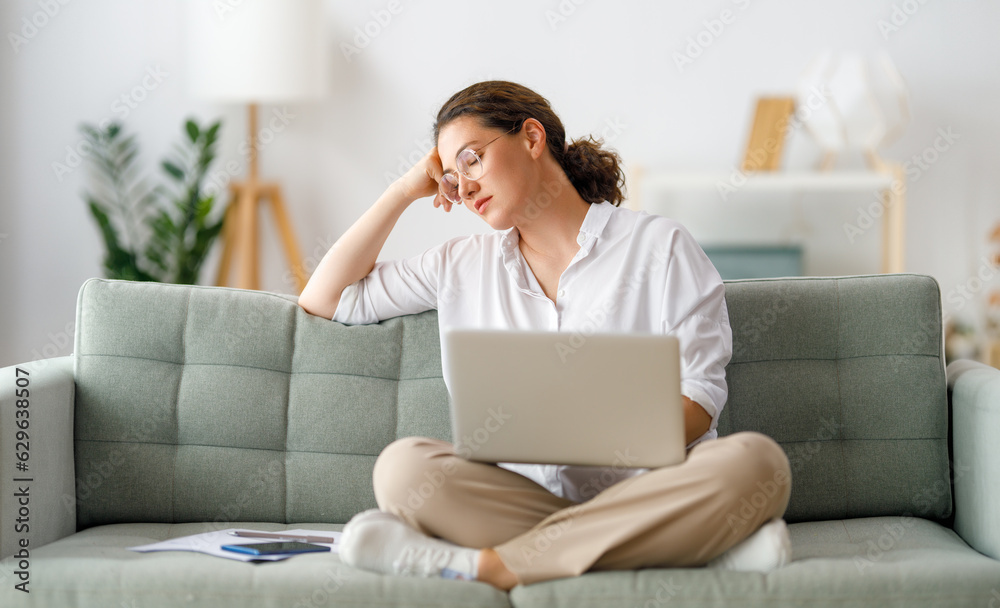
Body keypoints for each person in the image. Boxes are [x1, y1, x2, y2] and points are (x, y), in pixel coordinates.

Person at [297, 81, 792, 590]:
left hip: (653, 489)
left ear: (532, 138)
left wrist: (597, 438)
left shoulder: (659, 246)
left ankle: (495, 566)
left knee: (756, 463)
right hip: (530, 499)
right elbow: (327, 299)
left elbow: (700, 404)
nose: (462, 188)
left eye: (471, 161)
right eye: (449, 176)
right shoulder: (459, 265)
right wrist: (402, 191)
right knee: (403, 471)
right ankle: (691, 548)